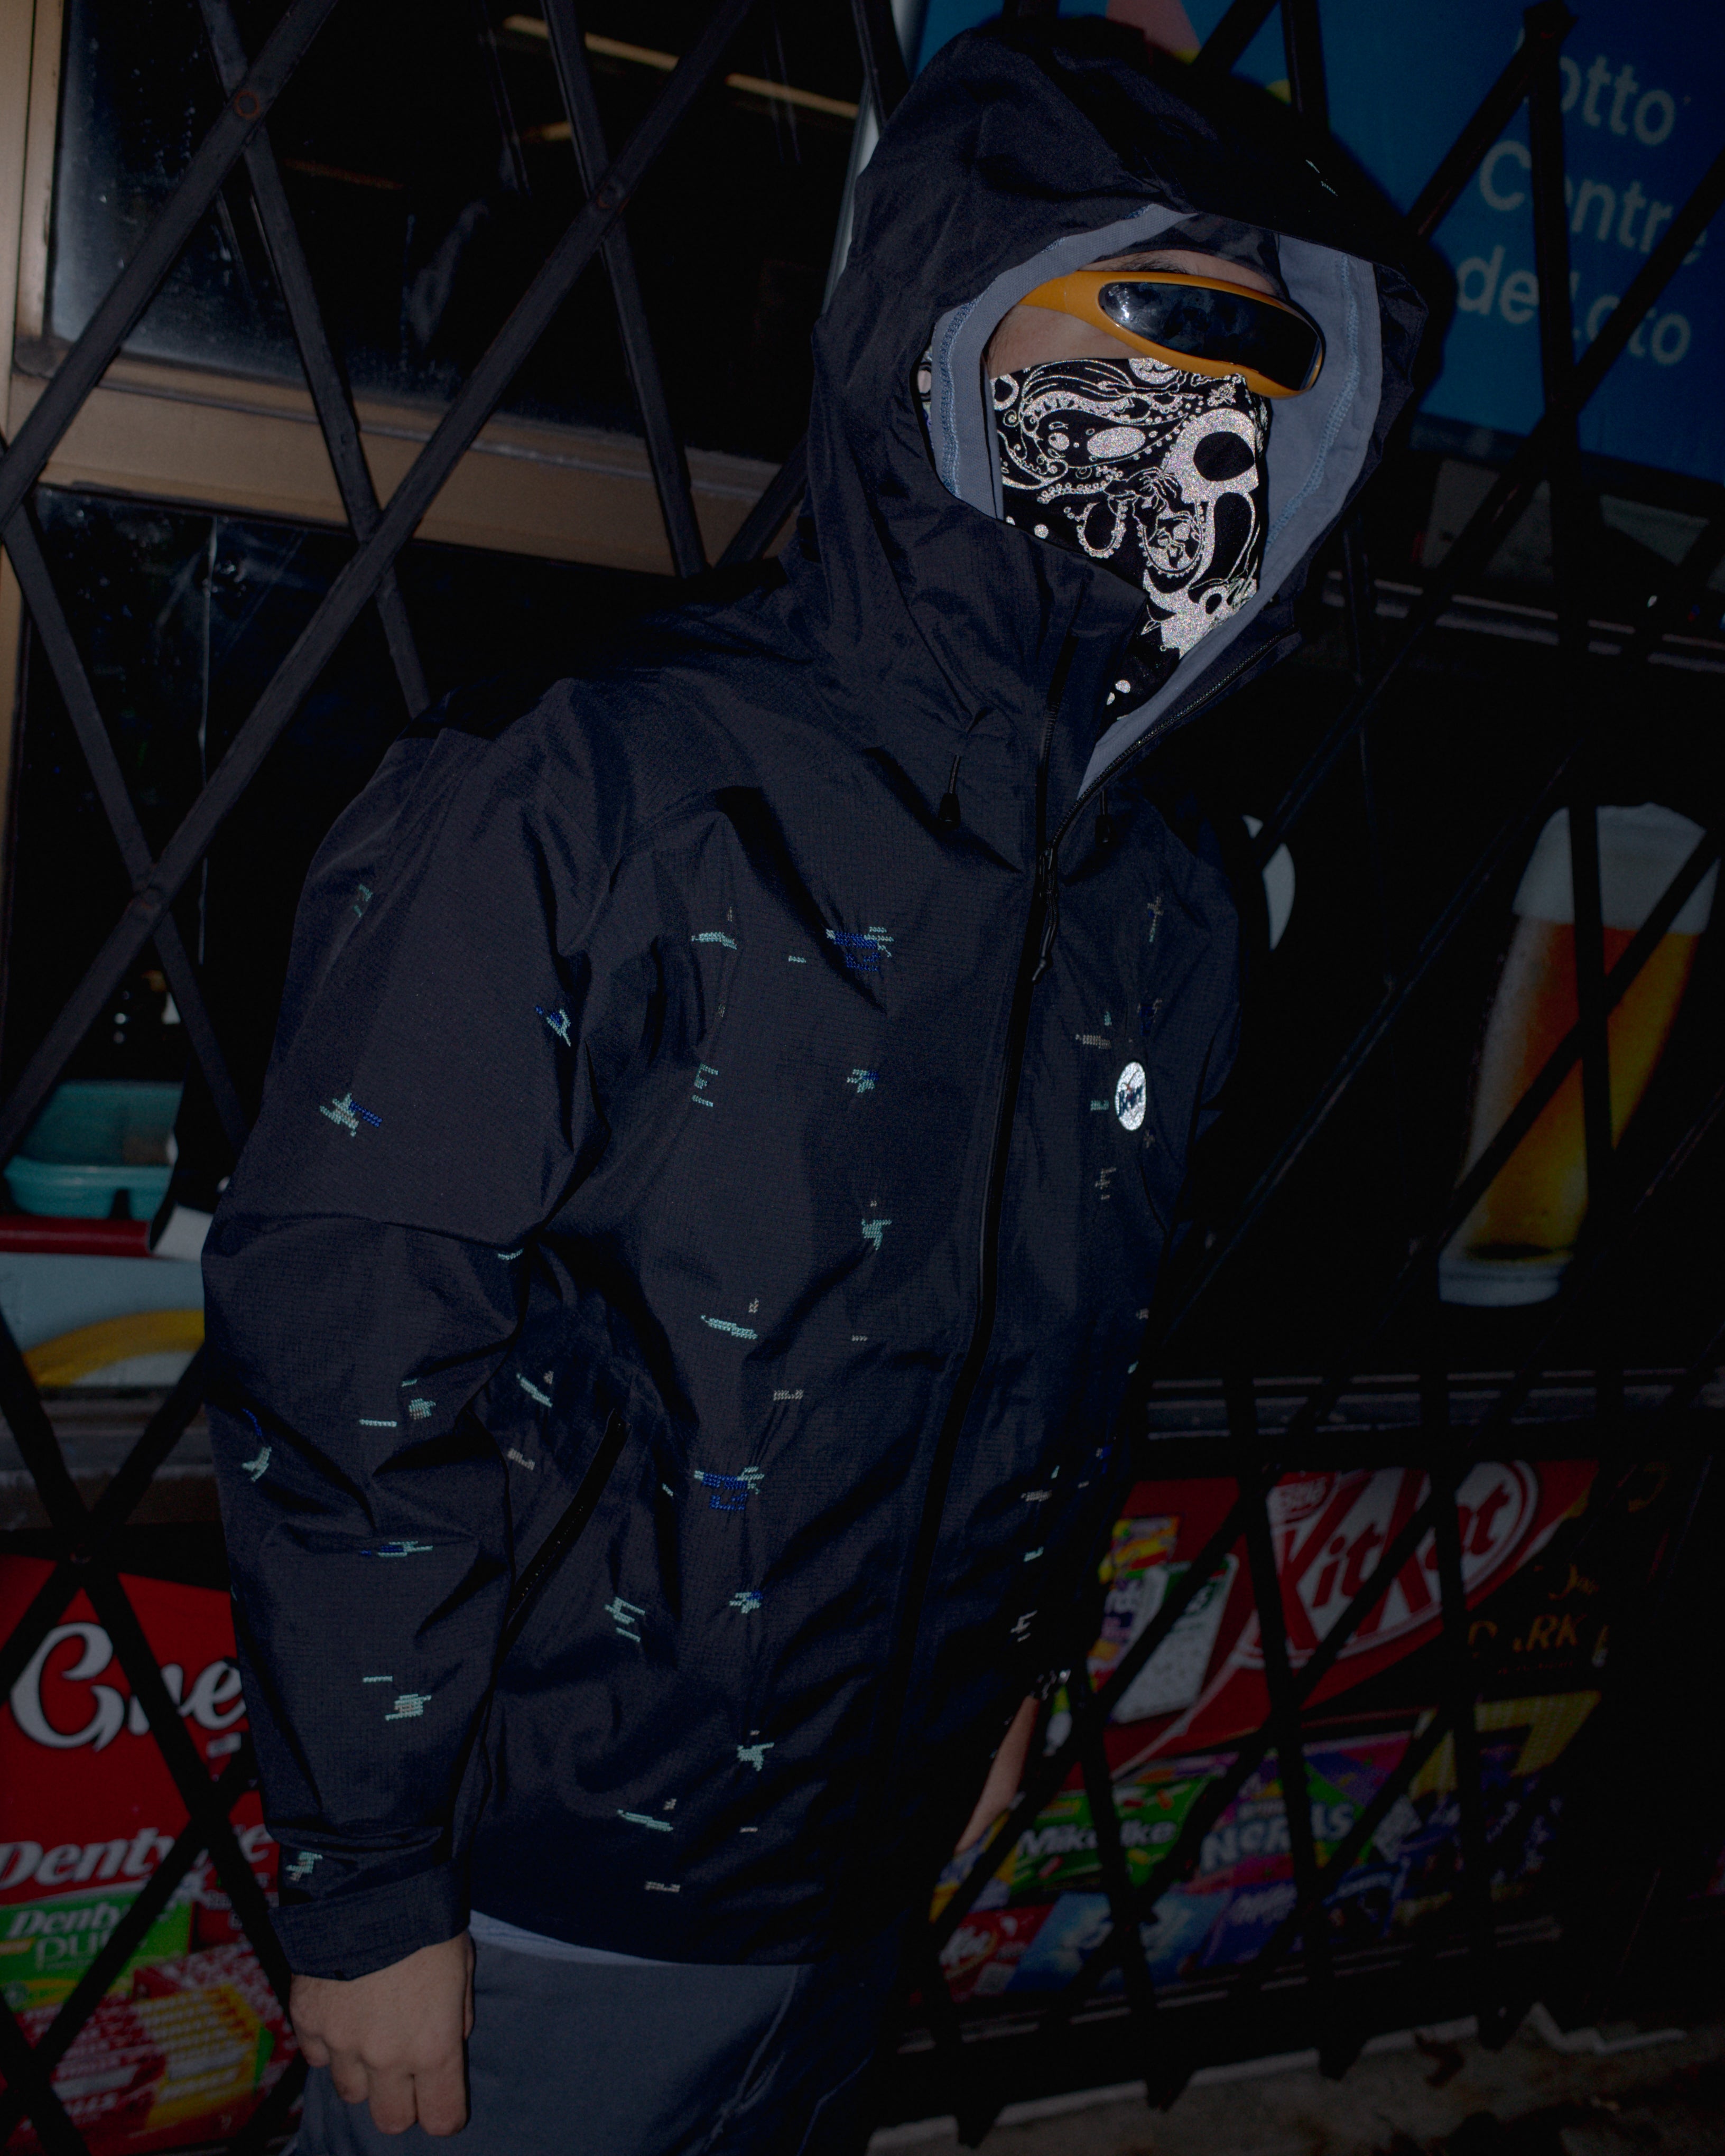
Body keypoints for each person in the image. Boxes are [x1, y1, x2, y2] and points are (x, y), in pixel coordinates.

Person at [206, 21, 1422, 2154]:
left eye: (1262, 373)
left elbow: (1062, 1354)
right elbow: (352, 1337)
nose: (1198, 423)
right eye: (1148, 328)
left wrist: (1002, 1676)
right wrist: (370, 1876)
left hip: (867, 1874)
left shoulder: (1161, 897)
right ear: (950, 324)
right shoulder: (593, 783)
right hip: (553, 1886)